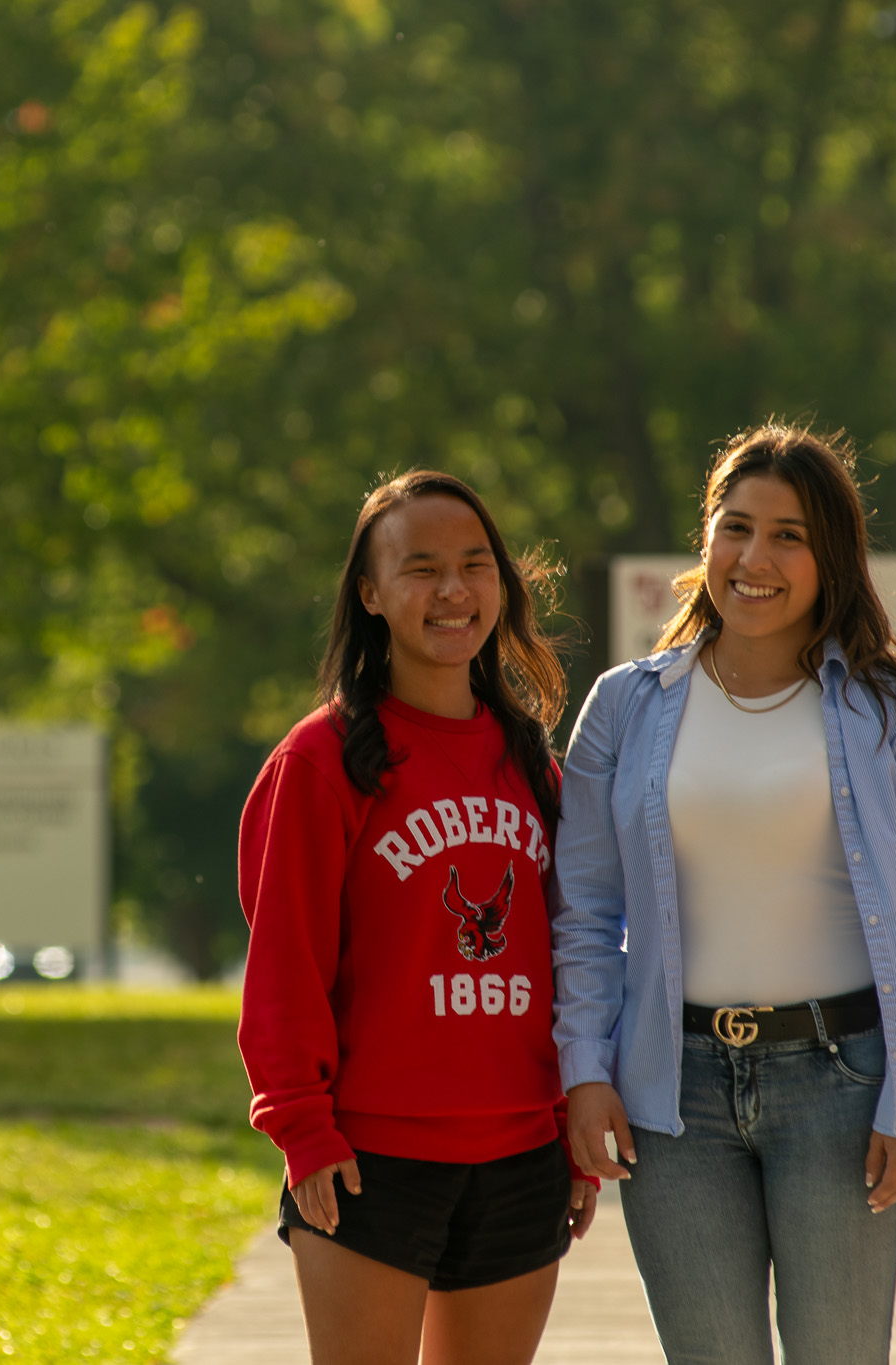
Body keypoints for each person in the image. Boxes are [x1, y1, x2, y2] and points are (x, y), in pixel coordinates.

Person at [554, 424, 896, 1364]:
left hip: (845, 1083)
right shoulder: (624, 705)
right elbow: (582, 911)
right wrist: (584, 1064)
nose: (755, 558)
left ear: (833, 558)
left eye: (790, 535)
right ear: (704, 537)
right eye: (735, 527)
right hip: (674, 1093)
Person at [237, 470, 596, 1365]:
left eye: (476, 565)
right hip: (369, 1160)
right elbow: (284, 964)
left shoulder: (530, 763)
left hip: (520, 1156)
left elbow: (570, 954)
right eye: (421, 567)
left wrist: (570, 1131)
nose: (452, 591)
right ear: (369, 592)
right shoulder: (322, 760)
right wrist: (301, 1127)